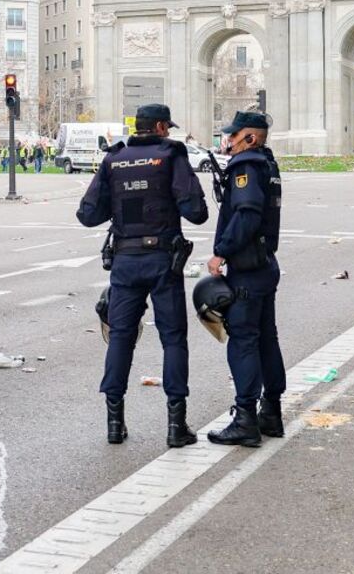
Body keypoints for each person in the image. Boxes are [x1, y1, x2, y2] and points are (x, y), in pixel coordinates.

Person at [76, 103, 208, 447]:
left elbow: (88, 215)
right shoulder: (171, 156)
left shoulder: (113, 159)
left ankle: (114, 424)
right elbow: (197, 212)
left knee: (120, 337)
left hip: (125, 259)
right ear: (162, 127)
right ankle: (175, 426)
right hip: (163, 259)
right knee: (173, 339)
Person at [206, 111, 287, 447]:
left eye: (235, 135)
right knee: (266, 339)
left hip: (248, 269)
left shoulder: (246, 167)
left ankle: (245, 419)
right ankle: (271, 412)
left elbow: (247, 213)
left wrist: (221, 252)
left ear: (251, 137)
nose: (229, 141)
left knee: (243, 341)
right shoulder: (268, 165)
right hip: (265, 265)